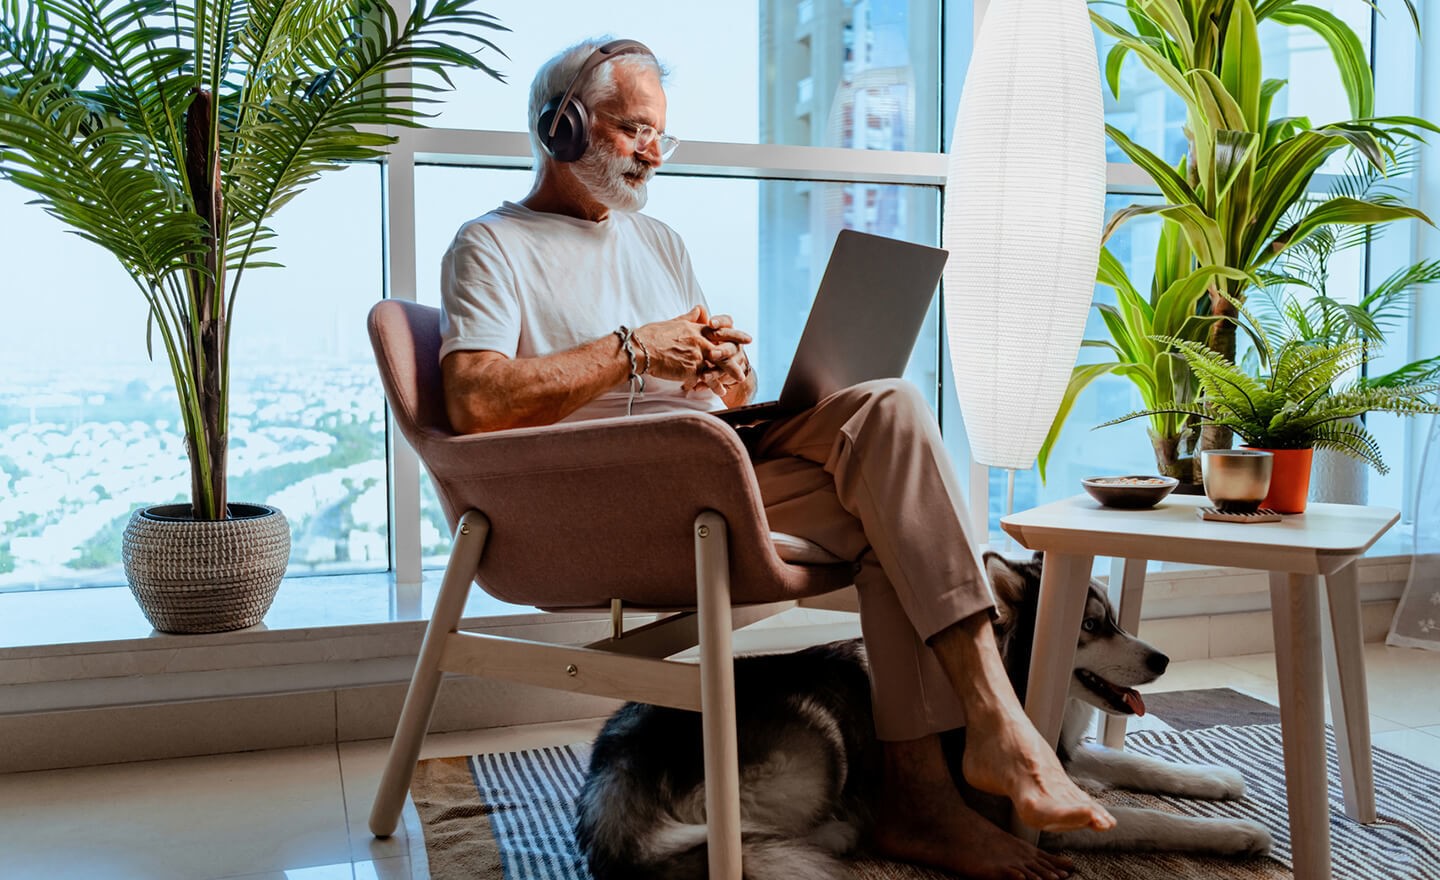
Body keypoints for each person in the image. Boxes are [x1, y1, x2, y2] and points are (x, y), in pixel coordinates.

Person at [438, 36, 1114, 880]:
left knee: (890, 414)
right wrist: (634, 351)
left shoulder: (658, 242)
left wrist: (728, 380)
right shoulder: (492, 245)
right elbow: (474, 399)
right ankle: (984, 744)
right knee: (895, 513)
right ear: (561, 126)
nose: (653, 152)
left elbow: (696, 387)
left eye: (661, 135)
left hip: (711, 469)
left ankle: (938, 785)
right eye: (633, 129)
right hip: (613, 500)